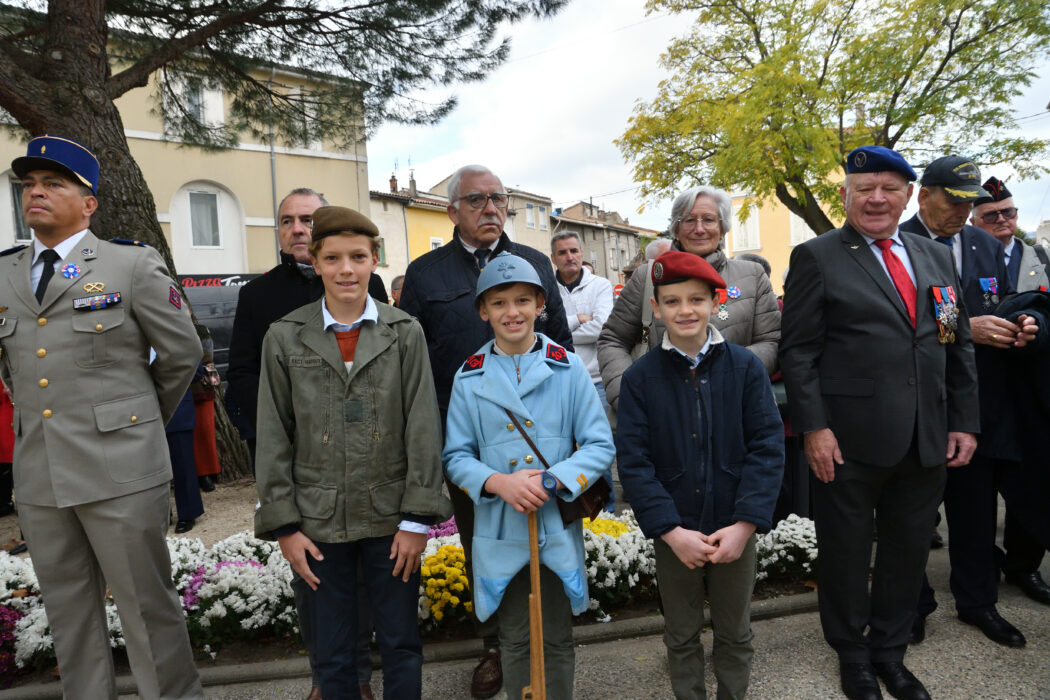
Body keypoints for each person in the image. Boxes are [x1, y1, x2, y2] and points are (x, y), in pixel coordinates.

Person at [0, 135, 203, 698]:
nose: (36, 193)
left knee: (146, 608)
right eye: (29, 186)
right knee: (68, 612)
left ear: (89, 203)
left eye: (54, 184)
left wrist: (133, 422)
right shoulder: (6, 273)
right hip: (41, 474)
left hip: (121, 470)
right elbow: (14, 370)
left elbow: (182, 354)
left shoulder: (128, 263)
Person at [780, 145, 979, 700]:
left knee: (907, 551)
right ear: (845, 195)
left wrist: (964, 421)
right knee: (844, 554)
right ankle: (852, 655)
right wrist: (815, 430)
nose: (876, 198)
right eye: (864, 188)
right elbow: (798, 354)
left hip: (926, 437)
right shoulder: (817, 256)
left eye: (889, 188)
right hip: (847, 442)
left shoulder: (934, 256)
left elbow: (954, 342)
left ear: (908, 196)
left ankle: (890, 652)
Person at [254, 205, 452, 698]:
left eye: (358, 257)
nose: (347, 269)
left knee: (401, 642)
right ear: (316, 262)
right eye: (334, 257)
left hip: (390, 522)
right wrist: (285, 526)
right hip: (318, 523)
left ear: (375, 260)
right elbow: (274, 434)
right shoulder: (284, 336)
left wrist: (416, 520)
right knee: (333, 650)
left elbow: (423, 427)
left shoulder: (403, 332)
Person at [399, 164, 573, 698]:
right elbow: (414, 366)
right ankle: (496, 647)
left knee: (551, 540)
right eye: (476, 200)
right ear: (452, 210)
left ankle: (549, 640)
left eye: (498, 199)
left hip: (540, 442)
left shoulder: (537, 264)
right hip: (470, 442)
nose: (491, 208)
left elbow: (561, 347)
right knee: (483, 545)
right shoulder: (426, 274)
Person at [227, 187, 379, 700]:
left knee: (358, 574)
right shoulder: (258, 294)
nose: (297, 228)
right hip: (295, 457)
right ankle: (325, 676)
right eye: (288, 221)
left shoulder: (365, 281)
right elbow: (244, 374)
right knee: (311, 572)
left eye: (308, 220)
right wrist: (280, 427)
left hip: (361, 455)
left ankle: (357, 676)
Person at [443, 252, 615, 699]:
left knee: (557, 635)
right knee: (514, 637)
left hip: (554, 521)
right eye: (499, 303)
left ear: (541, 304)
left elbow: (599, 445)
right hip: (501, 525)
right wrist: (499, 482)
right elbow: (456, 456)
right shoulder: (468, 378)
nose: (512, 312)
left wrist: (551, 480)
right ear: (483, 312)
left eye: (523, 300)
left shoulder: (568, 367)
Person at [616, 251, 783, 699]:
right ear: (656, 308)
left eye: (696, 299)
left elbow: (767, 447)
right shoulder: (639, 379)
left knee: (735, 631)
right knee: (681, 633)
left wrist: (745, 525)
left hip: (735, 527)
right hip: (676, 533)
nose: (685, 310)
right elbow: (634, 462)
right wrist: (670, 531)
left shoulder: (746, 368)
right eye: (671, 301)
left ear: (716, 301)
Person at [900, 156, 1037, 648]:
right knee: (913, 516)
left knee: (976, 513)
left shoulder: (983, 243)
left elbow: (995, 304)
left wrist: (1019, 326)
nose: (963, 212)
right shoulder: (897, 245)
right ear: (925, 196)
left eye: (970, 203)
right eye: (953, 201)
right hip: (918, 406)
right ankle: (910, 607)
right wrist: (965, 330)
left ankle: (978, 603)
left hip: (976, 406)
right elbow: (904, 324)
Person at [599, 185, 780, 410]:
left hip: (737, 407)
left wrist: (724, 371)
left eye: (709, 219)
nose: (699, 229)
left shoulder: (752, 275)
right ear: (676, 228)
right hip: (664, 411)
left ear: (723, 227)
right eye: (689, 220)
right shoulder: (648, 276)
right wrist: (629, 398)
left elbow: (771, 341)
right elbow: (613, 340)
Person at [970, 176, 1050, 607]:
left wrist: (1037, 330)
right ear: (974, 220)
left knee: (1032, 480)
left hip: (1028, 390)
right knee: (977, 491)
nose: (1003, 221)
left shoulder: (1037, 256)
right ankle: (982, 568)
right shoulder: (957, 253)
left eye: (1010, 213)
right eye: (993, 215)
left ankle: (1024, 564)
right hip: (978, 387)